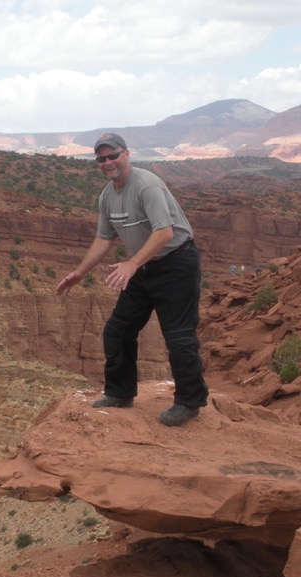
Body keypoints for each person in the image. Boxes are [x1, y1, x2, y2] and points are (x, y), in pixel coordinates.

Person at [55, 132, 208, 426]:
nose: (108, 162)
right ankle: (120, 393)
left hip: (175, 264)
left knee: (178, 336)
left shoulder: (146, 185)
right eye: (101, 158)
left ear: (126, 154)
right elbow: (103, 238)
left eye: (113, 155)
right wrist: (79, 272)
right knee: (117, 330)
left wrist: (132, 264)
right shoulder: (107, 197)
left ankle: (190, 401)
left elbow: (165, 233)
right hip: (142, 267)